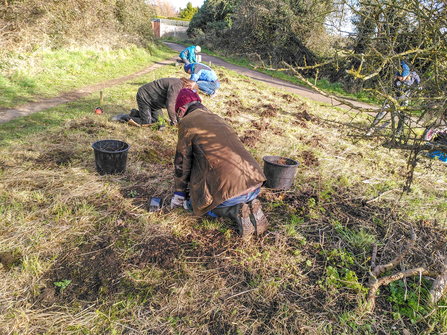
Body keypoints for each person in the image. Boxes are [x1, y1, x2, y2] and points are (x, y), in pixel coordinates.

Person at [170, 88, 268, 238]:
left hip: (232, 196)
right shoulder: (218, 118)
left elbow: (182, 162)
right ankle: (250, 204)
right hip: (254, 185)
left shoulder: (187, 122)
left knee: (197, 205)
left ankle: (234, 211)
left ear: (182, 110)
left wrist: (179, 194)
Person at [112, 77, 198, 127]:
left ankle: (135, 113)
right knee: (146, 123)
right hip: (145, 96)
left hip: (154, 103)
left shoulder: (181, 88)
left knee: (158, 120)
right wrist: (174, 121)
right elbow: (171, 105)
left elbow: (177, 107)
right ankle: (123, 117)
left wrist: (179, 121)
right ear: (188, 86)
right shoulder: (177, 86)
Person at [366, 61, 421, 136]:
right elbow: (391, 90)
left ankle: (398, 132)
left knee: (403, 114)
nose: (400, 78)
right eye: (399, 76)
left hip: (405, 98)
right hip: (394, 96)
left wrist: (419, 85)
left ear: (407, 75)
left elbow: (417, 78)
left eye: (402, 77)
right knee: (383, 110)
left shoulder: (413, 76)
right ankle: (371, 129)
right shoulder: (395, 81)